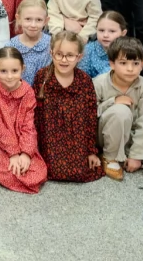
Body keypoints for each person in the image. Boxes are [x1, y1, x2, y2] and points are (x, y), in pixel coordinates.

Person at [93, 37, 143, 181]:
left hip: (129, 137)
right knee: (121, 111)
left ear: (142, 65)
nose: (130, 69)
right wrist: (112, 102)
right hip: (103, 136)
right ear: (112, 64)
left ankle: (124, 155)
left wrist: (137, 155)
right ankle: (110, 157)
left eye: (135, 63)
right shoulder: (99, 83)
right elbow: (88, 114)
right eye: (123, 63)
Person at [32, 31, 102, 183]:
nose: (64, 60)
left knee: (79, 173)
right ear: (51, 54)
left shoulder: (84, 81)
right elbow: (35, 116)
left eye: (70, 55)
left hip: (76, 139)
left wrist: (91, 151)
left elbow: (90, 118)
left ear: (79, 57)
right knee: (53, 170)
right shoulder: (42, 77)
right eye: (59, 54)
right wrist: (33, 149)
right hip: (50, 140)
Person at [0, 47, 48, 194]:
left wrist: (25, 153)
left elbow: (28, 126)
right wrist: (13, 153)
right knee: (9, 171)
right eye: (3, 71)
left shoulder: (28, 92)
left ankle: (24, 161)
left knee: (38, 172)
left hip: (21, 138)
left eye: (14, 71)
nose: (9, 76)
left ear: (22, 69)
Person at [6, 0, 51, 85]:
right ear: (18, 18)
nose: (33, 25)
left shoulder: (52, 44)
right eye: (28, 19)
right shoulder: (11, 47)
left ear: (46, 21)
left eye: (39, 20)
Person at [78, 10, 128, 79]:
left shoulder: (128, 51)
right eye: (101, 30)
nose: (105, 35)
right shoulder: (88, 50)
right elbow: (81, 77)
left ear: (123, 33)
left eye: (112, 31)